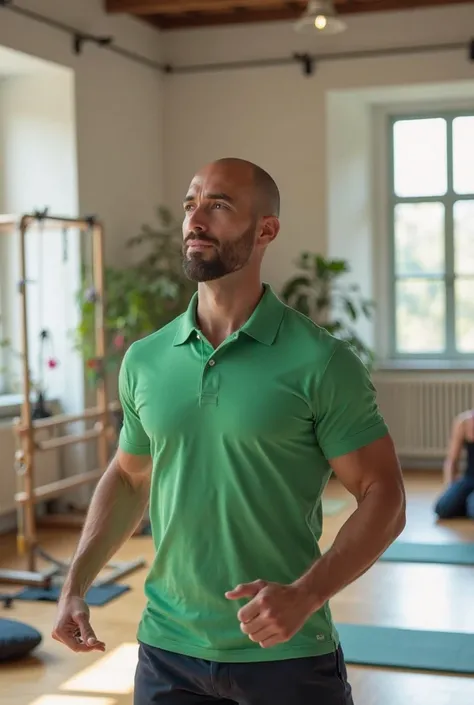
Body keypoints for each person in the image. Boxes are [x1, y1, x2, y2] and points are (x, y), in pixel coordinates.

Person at [52, 157, 406, 704]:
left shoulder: (321, 362)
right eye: (191, 204)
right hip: (167, 653)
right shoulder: (145, 361)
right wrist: (75, 585)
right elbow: (127, 479)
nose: (196, 220)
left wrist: (306, 594)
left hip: (285, 653)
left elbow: (384, 495)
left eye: (219, 206)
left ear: (266, 230)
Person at [434, 409, 474, 520]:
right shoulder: (464, 422)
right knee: (442, 508)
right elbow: (452, 460)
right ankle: (467, 502)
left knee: (473, 508)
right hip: (469, 478)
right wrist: (449, 487)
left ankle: (469, 503)